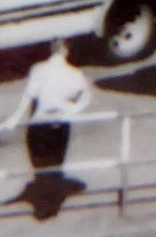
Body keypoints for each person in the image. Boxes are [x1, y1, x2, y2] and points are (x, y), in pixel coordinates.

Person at [5, 39, 92, 220]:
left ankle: (45, 202)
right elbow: (85, 97)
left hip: (39, 125)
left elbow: (28, 97)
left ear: (51, 51)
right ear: (66, 52)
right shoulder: (75, 74)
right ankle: (51, 204)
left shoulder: (38, 70)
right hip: (60, 124)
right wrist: (70, 109)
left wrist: (14, 119)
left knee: (40, 166)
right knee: (55, 165)